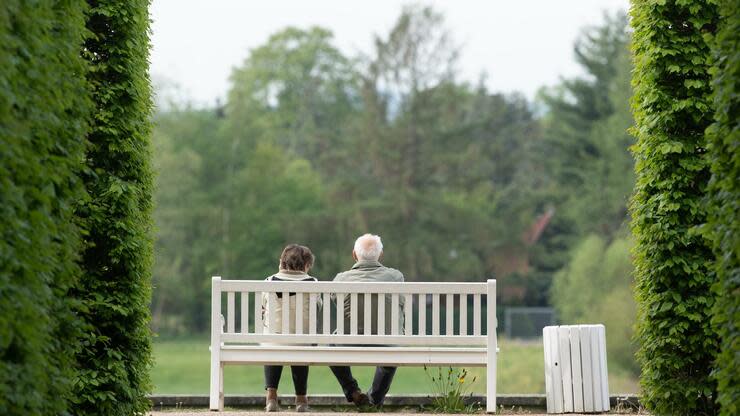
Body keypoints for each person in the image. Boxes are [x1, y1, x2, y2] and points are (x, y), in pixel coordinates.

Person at [330, 233, 404, 408]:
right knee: (394, 345)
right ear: (381, 254)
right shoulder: (395, 277)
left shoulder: (341, 279)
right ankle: (375, 399)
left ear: (354, 255)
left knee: (328, 346)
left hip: (347, 343)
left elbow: (335, 301)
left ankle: (352, 391)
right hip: (387, 343)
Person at [261, 244, 318, 412]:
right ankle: (301, 399)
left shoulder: (269, 281)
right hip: (302, 342)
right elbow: (317, 309)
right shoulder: (312, 282)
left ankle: (271, 395)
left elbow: (262, 309)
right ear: (306, 265)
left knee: (273, 339)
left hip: (273, 341)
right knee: (300, 341)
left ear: (282, 262)